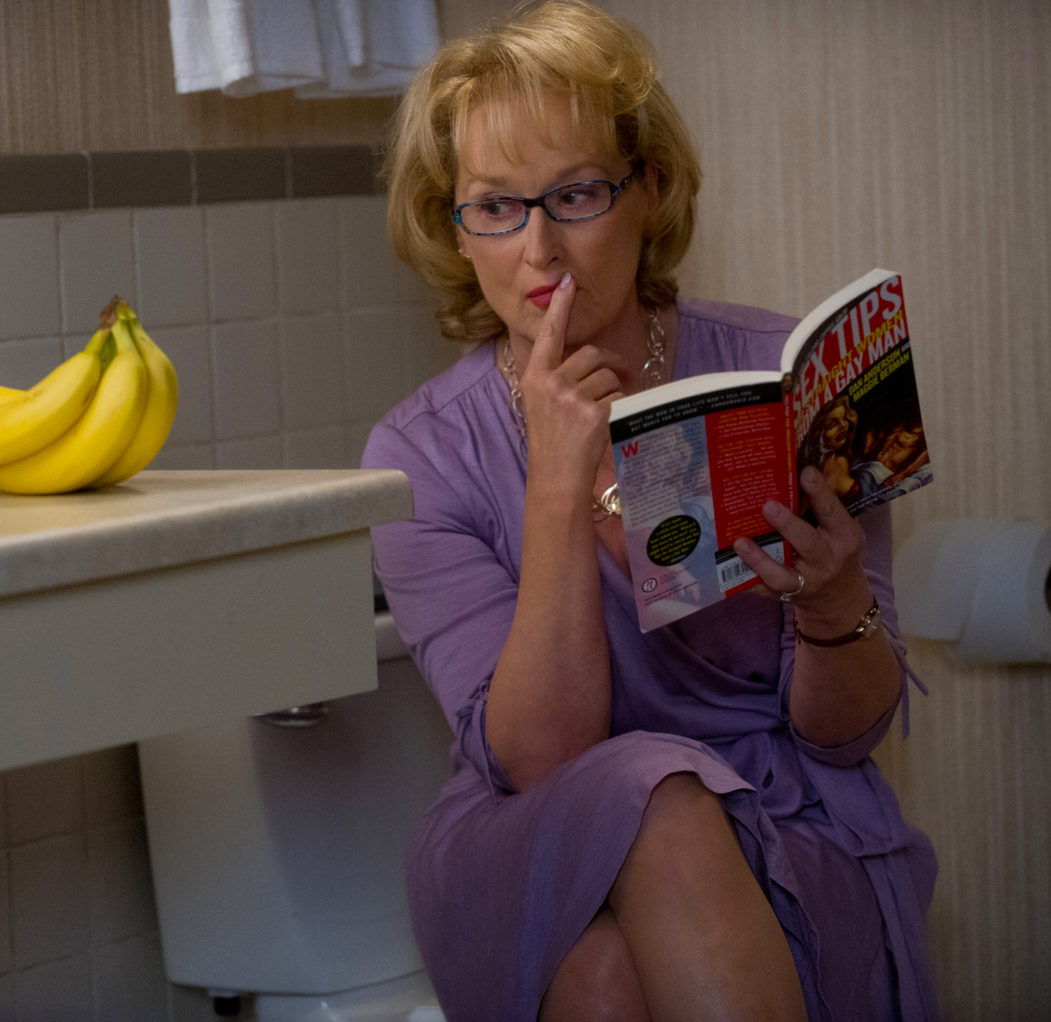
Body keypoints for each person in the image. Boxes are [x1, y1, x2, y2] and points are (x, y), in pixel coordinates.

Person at [361, 2, 938, 1019]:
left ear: (650, 188)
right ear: (454, 226)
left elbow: (847, 736)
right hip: (534, 825)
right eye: (495, 207)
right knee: (659, 794)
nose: (539, 248)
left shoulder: (779, 377)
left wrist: (832, 598)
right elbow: (542, 758)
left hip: (785, 804)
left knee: (606, 973)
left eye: (577, 193)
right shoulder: (418, 456)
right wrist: (554, 486)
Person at [799, 394, 862, 502]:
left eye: (844, 419)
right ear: (816, 435)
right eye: (832, 425)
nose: (843, 425)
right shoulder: (811, 474)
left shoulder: (843, 460)